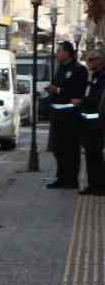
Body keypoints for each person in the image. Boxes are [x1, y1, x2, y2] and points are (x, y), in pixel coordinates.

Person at [46, 40, 88, 190]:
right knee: (58, 149)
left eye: (59, 51)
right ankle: (61, 178)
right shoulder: (60, 68)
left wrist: (57, 90)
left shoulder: (79, 69)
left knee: (70, 149)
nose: (56, 54)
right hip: (57, 114)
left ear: (67, 53)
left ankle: (71, 180)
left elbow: (77, 92)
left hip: (70, 114)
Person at [81, 49, 105, 196]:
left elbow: (97, 99)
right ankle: (92, 184)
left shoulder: (102, 77)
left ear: (100, 60)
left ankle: (100, 186)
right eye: (88, 60)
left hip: (98, 123)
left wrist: (82, 101)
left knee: (97, 155)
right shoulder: (94, 76)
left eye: (92, 60)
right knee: (90, 155)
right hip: (88, 122)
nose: (89, 63)